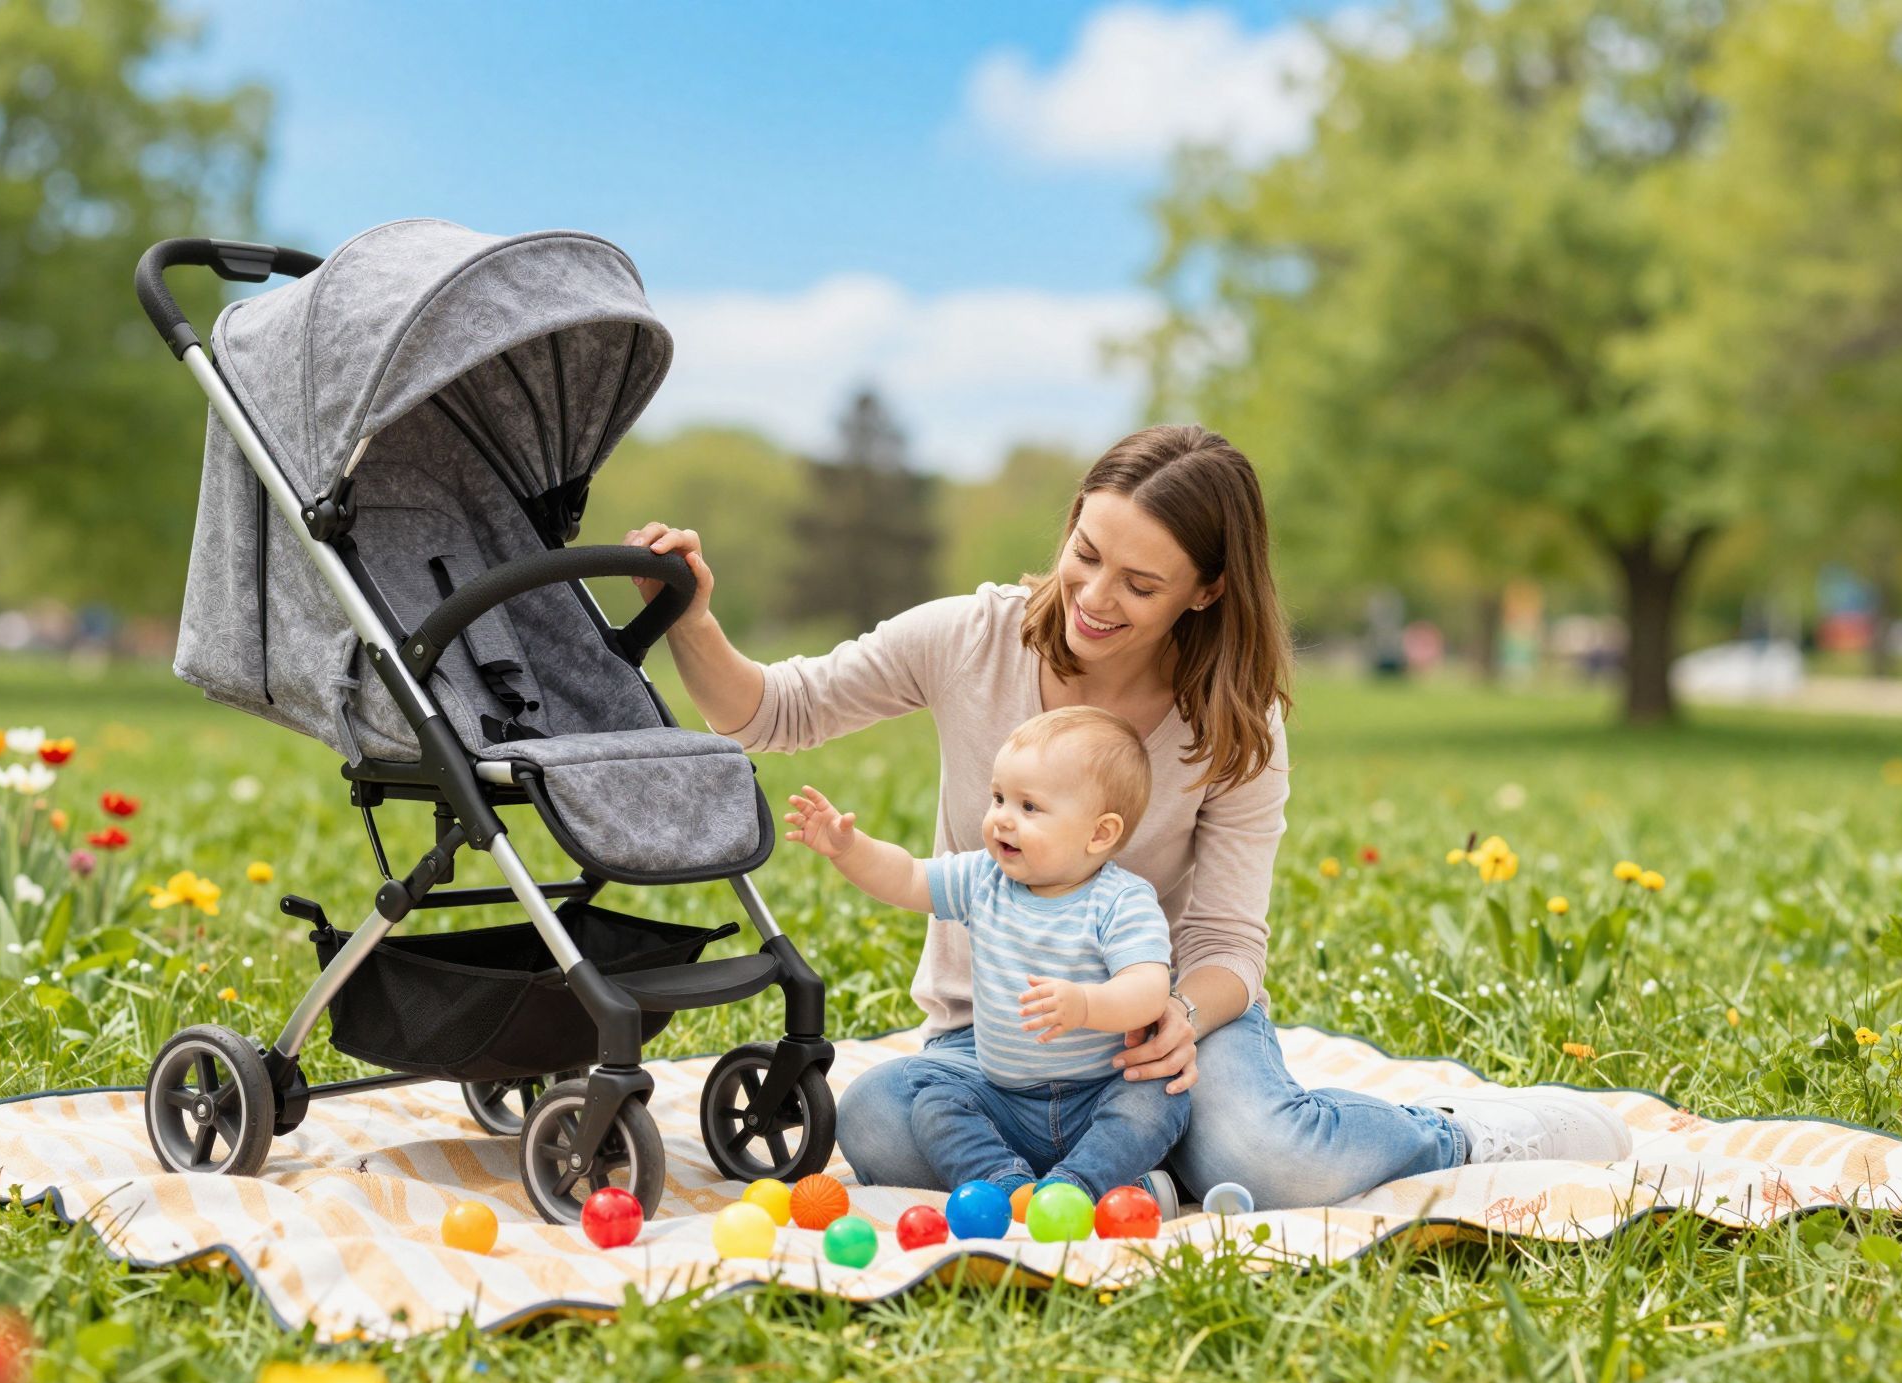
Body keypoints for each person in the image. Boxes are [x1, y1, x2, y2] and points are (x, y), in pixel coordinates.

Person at [627, 424, 1630, 1209]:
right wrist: (693, 619)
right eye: (1085, 553)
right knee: (878, 1128)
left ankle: (1447, 1133)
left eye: (1140, 584)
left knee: (1274, 1160)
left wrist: (1179, 1021)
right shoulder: (967, 639)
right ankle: (1128, 1177)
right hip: (994, 1038)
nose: (1094, 598)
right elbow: (768, 712)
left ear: (1207, 591)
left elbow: (1230, 944)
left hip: (1157, 1031)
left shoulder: (1234, 726)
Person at [785, 707, 1186, 1213]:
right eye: (999, 797)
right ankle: (1012, 1186)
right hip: (1004, 1098)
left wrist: (1085, 1004)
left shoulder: (1121, 900)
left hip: (1099, 1092)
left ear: (1100, 834)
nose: (1002, 817)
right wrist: (849, 849)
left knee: (1159, 1102)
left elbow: (1149, 989)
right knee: (936, 1101)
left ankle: (1076, 1188)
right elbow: (907, 877)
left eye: (1029, 807)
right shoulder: (984, 880)